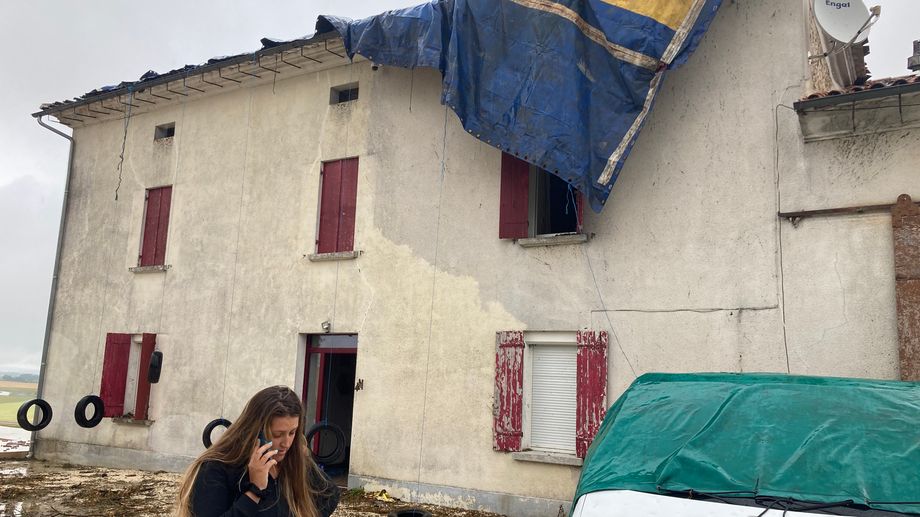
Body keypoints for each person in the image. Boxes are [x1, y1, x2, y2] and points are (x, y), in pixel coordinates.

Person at [175, 385, 339, 517]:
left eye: (292, 432)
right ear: (255, 431)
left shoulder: (291, 460)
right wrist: (255, 491)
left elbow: (330, 494)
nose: (286, 443)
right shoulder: (217, 467)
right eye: (277, 435)